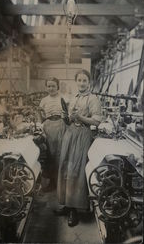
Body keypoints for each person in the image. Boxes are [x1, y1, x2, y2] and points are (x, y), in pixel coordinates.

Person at [56, 69, 102, 227]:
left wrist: (80, 117)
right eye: (79, 80)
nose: (82, 83)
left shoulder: (93, 99)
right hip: (70, 134)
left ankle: (74, 210)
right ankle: (67, 204)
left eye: (84, 80)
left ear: (89, 82)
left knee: (76, 171)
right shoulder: (73, 98)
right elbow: (70, 119)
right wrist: (66, 118)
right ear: (76, 82)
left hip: (83, 136)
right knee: (65, 168)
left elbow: (96, 121)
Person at [39, 77, 66, 191]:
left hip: (60, 125)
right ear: (46, 87)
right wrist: (42, 122)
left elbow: (67, 114)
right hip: (48, 127)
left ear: (57, 87)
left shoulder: (63, 98)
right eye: (49, 86)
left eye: (53, 86)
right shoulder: (44, 100)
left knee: (59, 155)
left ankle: (59, 182)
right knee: (49, 155)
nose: (51, 88)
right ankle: (51, 183)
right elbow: (41, 117)